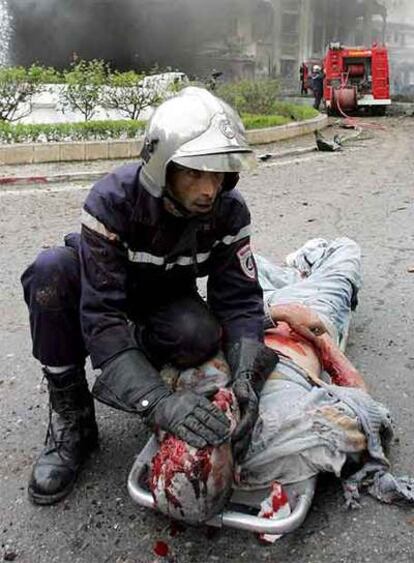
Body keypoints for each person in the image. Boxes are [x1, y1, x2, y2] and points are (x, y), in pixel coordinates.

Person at [21, 86, 285, 506]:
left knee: (198, 335)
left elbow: (239, 300)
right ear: (163, 166)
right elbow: (102, 316)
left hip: (161, 300)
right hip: (99, 291)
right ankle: (73, 418)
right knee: (50, 273)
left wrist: (245, 376)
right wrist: (158, 401)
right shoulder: (112, 200)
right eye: (194, 173)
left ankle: (134, 357)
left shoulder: (229, 211)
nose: (208, 190)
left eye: (217, 174)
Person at [149, 238, 414, 524]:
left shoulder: (174, 403)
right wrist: (325, 345)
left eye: (191, 426)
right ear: (232, 470)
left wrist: (275, 313)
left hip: (256, 312)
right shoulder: (288, 433)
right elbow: (367, 411)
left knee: (243, 262)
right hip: (308, 314)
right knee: (346, 249)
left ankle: (298, 271)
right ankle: (309, 262)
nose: (219, 401)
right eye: (210, 432)